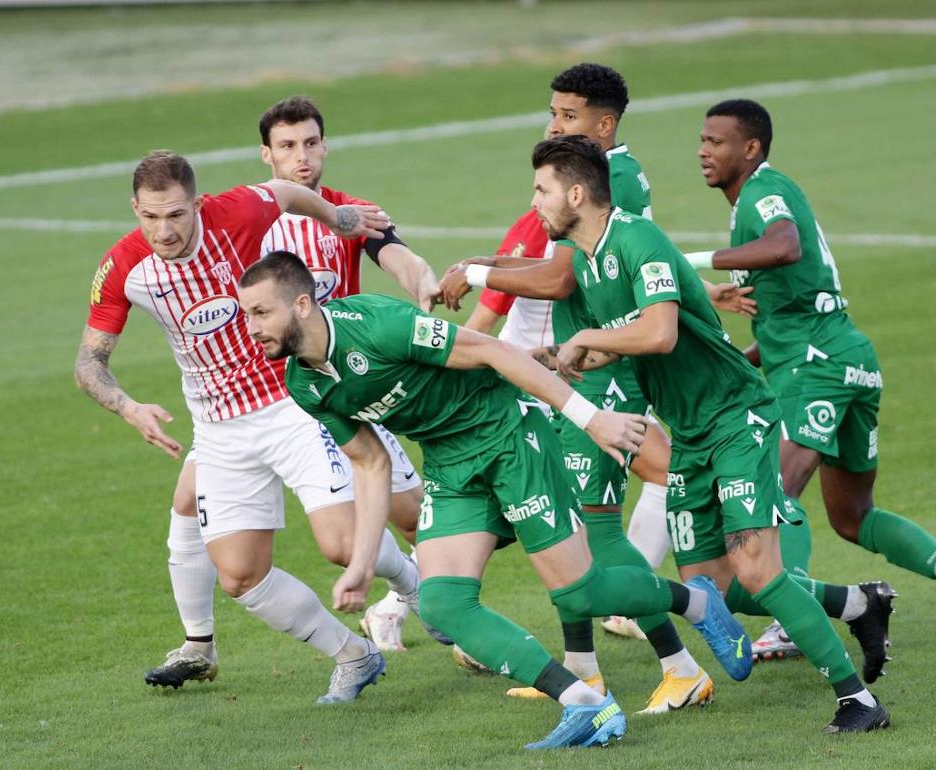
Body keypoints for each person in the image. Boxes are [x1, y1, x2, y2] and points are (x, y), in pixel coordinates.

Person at [237, 251, 756, 749]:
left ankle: (698, 601)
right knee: (443, 603)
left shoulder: (377, 326)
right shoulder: (304, 384)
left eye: (261, 312)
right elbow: (371, 463)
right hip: (450, 463)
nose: (252, 327)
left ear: (302, 305)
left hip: (508, 434)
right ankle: (584, 705)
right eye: (246, 315)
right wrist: (362, 562)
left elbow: (494, 350)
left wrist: (591, 419)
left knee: (582, 594)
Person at [530, 135, 892, 733]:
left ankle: (858, 700)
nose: (535, 202)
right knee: (711, 590)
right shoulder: (591, 264)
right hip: (691, 432)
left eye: (542, 189)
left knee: (756, 569)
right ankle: (859, 603)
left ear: (576, 193)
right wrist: (551, 360)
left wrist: (589, 340)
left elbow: (660, 333)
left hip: (736, 416)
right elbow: (625, 350)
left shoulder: (636, 240)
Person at [442, 62, 747, 713]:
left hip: (604, 379)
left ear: (603, 125)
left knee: (596, 537)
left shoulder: (616, 185)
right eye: (553, 114)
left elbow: (562, 280)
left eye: (568, 117)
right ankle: (585, 669)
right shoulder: (589, 193)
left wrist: (476, 271)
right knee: (568, 530)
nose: (555, 125)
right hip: (574, 372)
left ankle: (683, 660)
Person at [75, 150, 413, 705]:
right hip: (219, 429)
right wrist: (129, 408)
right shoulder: (124, 267)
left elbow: (286, 193)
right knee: (238, 576)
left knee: (343, 545)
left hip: (292, 404)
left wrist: (337, 219)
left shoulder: (238, 211)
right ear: (134, 209)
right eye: (151, 216)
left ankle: (410, 583)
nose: (164, 230)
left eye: (177, 215)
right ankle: (354, 654)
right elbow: (89, 362)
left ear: (198, 204)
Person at [687, 99, 936, 651]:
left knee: (771, 493)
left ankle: (794, 615)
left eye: (716, 142)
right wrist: (738, 365)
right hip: (845, 358)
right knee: (851, 516)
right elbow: (790, 315)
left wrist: (693, 259)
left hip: (818, 369)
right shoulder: (756, 203)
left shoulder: (765, 193)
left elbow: (785, 247)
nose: (703, 151)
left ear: (751, 148)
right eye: (702, 140)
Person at [158, 96, 443, 669]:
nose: (302, 157)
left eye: (311, 143)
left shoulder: (346, 212)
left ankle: (434, 606)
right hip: (244, 401)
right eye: (287, 146)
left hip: (332, 391)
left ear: (325, 145)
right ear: (266, 154)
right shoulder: (240, 217)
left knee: (410, 515)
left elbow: (396, 254)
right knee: (188, 498)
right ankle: (197, 642)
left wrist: (423, 281)